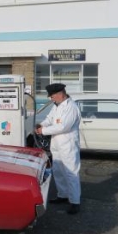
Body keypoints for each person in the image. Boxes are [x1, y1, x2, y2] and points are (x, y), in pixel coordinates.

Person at [35, 83, 82, 215]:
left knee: (71, 172)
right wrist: (41, 125)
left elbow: (63, 127)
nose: (51, 98)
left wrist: (43, 131)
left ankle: (74, 201)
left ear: (60, 94)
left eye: (52, 96)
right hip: (56, 143)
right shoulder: (57, 106)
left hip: (68, 144)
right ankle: (62, 194)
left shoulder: (71, 107)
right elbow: (49, 119)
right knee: (58, 170)